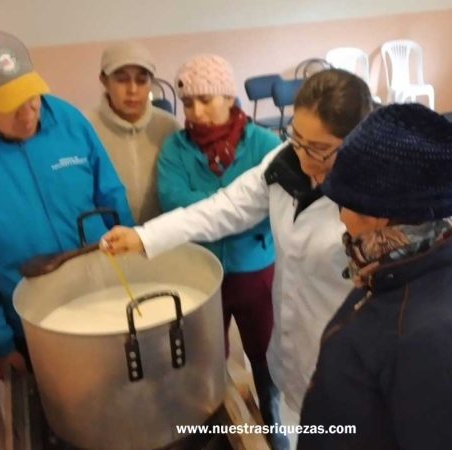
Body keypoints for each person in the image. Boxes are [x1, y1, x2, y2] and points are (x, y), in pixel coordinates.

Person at [102, 69, 374, 416]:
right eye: (297, 139)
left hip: (348, 361)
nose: (304, 159)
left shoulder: (373, 203)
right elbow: (223, 208)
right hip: (293, 349)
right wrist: (144, 236)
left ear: (358, 141)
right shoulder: (283, 166)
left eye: (319, 149)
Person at [296, 103, 452, 449]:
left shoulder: (436, 346)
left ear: (381, 216)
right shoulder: (440, 252)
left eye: (344, 204)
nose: (341, 219)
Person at [0, 30, 134, 380]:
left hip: (107, 294)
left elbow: (113, 198)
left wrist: (135, 270)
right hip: (37, 323)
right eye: (10, 104)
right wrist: (0, 342)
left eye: (32, 96)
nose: (28, 113)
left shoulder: (68, 118)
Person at [158, 53, 283, 443]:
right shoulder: (175, 149)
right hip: (202, 276)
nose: (195, 111)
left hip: (256, 268)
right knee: (207, 360)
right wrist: (236, 203)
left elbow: (271, 206)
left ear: (230, 98)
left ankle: (276, 424)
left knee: (266, 355)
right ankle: (217, 431)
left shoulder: (265, 142)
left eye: (206, 99)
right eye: (188, 102)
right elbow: (172, 199)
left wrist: (211, 207)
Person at [87, 41, 180, 223]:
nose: (132, 90)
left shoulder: (169, 127)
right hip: (109, 242)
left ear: (151, 82)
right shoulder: (86, 128)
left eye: (141, 80)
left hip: (164, 241)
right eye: (121, 79)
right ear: (104, 80)